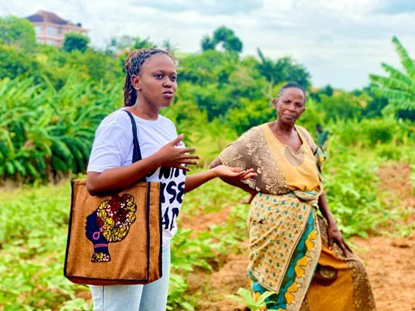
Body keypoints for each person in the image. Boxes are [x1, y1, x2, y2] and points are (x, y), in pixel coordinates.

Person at [86, 48, 256, 311]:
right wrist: (157, 159)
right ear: (136, 82)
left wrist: (212, 173)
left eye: (173, 77)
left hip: (159, 240)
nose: (169, 83)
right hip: (122, 241)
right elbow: (95, 183)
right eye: (159, 75)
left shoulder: (167, 127)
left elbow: (167, 188)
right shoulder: (119, 123)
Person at [210, 83, 376, 311]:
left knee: (351, 267)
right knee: (272, 288)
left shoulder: (305, 136)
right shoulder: (257, 137)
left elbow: (318, 183)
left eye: (298, 104)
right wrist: (255, 190)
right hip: (272, 223)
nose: (291, 108)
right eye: (287, 102)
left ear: (303, 110)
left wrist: (332, 222)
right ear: (275, 103)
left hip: (309, 219)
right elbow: (217, 166)